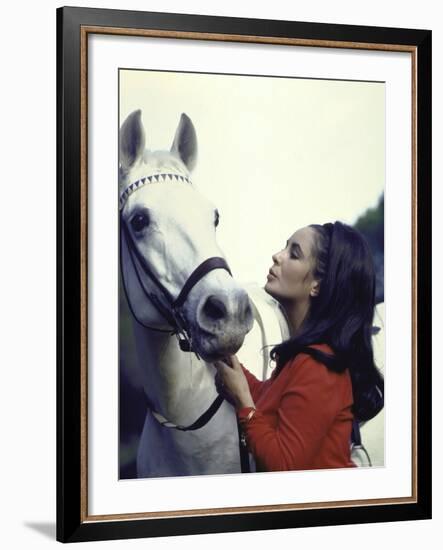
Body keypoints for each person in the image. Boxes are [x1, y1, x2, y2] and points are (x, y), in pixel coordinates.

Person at [214, 221, 384, 472]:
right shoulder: (304, 356)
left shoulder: (319, 364)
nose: (277, 256)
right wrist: (224, 357)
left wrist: (243, 402)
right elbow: (268, 400)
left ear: (317, 285)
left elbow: (284, 467)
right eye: (284, 247)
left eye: (294, 254)